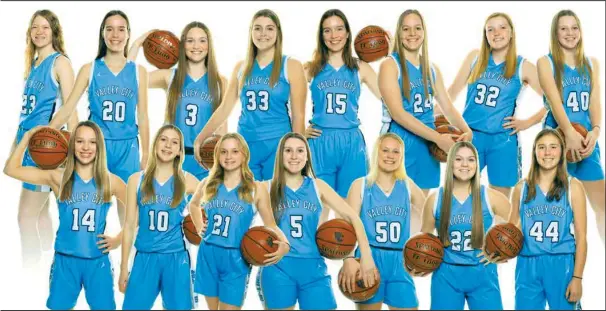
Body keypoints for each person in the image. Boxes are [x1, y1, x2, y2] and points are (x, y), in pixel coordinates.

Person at [4, 121, 126, 310]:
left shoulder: (111, 181)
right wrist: (29, 136)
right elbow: (10, 169)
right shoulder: (57, 177)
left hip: (97, 261)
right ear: (71, 145)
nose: (86, 147)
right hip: (65, 260)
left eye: (92, 142)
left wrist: (119, 238)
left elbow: (141, 212)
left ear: (99, 146)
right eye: (80, 141)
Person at [256, 132, 379, 310]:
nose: (294, 156)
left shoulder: (318, 186)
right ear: (280, 155)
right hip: (277, 267)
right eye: (288, 150)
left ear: (307, 156)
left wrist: (363, 257)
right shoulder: (265, 187)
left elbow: (353, 217)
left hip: (313, 267)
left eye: (300, 151)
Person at [49, 10, 150, 216]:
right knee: (90, 209)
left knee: (130, 214)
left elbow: (143, 116)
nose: (115, 34)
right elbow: (68, 108)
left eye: (121, 29)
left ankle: (128, 250)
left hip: (127, 148)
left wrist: (147, 153)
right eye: (109, 29)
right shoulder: (90, 69)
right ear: (102, 34)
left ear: (128, 34)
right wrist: (47, 132)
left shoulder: (139, 72)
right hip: (95, 148)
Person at [193, 9, 307, 181]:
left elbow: (298, 115)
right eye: (257, 28)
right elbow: (225, 108)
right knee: (248, 203)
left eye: (269, 28)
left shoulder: (290, 65)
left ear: (278, 32)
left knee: (275, 203)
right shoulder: (241, 67)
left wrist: (299, 153)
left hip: (277, 144)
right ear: (251, 32)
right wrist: (200, 138)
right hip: (245, 144)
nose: (263, 34)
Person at [447, 12, 545, 198]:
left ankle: (498, 229)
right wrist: (429, 116)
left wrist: (528, 122)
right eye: (490, 29)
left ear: (511, 33)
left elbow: (555, 100)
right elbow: (451, 93)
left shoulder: (523, 66)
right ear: (485, 35)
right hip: (470, 135)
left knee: (500, 201)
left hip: (502, 140)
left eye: (502, 27)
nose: (496, 33)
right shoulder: (475, 57)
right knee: (459, 195)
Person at [188, 133, 290, 310]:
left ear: (244, 155)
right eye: (224, 152)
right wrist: (198, 225)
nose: (229, 157)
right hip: (208, 254)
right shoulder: (207, 183)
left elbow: (271, 224)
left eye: (235, 151)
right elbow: (193, 205)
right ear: (217, 155)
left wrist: (285, 244)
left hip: (236, 257)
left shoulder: (256, 189)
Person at [378, 9, 473, 196]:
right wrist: (438, 138)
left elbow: (447, 106)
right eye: (406, 29)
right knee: (395, 207)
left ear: (424, 32)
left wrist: (466, 130)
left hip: (427, 146)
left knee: (421, 209)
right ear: (399, 33)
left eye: (417, 28)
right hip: (398, 142)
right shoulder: (390, 65)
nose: (412, 34)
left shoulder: (431, 68)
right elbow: (398, 113)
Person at [10, 9, 79, 267]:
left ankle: (31, 270)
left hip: (44, 149)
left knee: (25, 216)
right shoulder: (35, 63)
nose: (39, 32)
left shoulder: (60, 62)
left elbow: (70, 107)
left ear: (54, 32)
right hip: (27, 144)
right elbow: (27, 114)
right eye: (34, 27)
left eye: (45, 27)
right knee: (40, 213)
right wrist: (15, 145)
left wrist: (64, 145)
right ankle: (45, 266)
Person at [128, 22, 228, 180]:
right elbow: (128, 79)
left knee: (200, 205)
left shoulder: (220, 82)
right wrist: (137, 43)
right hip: (170, 158)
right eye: (190, 41)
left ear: (209, 45)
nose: (196, 46)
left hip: (204, 161)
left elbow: (221, 128)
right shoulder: (169, 76)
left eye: (202, 40)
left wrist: (222, 168)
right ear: (182, 45)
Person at [537, 9, 604, 244]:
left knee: (602, 207)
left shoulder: (592, 63)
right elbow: (555, 103)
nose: (570, 33)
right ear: (555, 33)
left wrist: (595, 132)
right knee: (554, 208)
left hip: (586, 142)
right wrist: (569, 133)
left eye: (574, 27)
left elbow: (595, 104)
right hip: (556, 142)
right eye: (563, 28)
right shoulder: (545, 63)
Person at [501, 129, 586, 310]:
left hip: (561, 263)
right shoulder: (521, 188)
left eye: (553, 147)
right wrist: (498, 248)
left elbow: (582, 237)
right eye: (542, 147)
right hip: (527, 265)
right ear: (534, 152)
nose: (547, 153)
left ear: (562, 152)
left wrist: (577, 278)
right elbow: (510, 231)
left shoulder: (573, 187)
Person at [419, 141, 510, 310]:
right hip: (446, 276)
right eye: (459, 159)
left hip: (483, 273)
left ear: (477, 164)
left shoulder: (491, 197)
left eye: (471, 160)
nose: (465, 165)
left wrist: (505, 251)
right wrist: (419, 263)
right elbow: (424, 240)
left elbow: (518, 226)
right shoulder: (435, 199)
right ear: (450, 163)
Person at [339, 133, 426, 310]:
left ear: (401, 157)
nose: (390, 155)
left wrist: (423, 253)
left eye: (396, 152)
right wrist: (348, 259)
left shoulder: (407, 185)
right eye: (385, 150)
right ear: (376, 152)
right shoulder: (360, 185)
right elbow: (346, 229)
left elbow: (433, 214)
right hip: (368, 258)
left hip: (400, 261)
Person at [303, 9, 384, 198]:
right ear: (321, 36)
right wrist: (297, 130)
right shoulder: (309, 68)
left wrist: (389, 48)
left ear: (348, 34)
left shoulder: (361, 68)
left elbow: (389, 99)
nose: (334, 36)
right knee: (319, 209)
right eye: (327, 30)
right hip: (320, 141)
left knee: (350, 210)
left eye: (339, 29)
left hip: (351, 143)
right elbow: (281, 100)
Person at [119, 125, 200, 310]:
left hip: (177, 258)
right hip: (144, 257)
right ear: (155, 144)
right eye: (163, 139)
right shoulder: (135, 180)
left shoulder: (188, 180)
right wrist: (124, 267)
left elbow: (210, 210)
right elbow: (130, 225)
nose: (168, 145)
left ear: (180, 151)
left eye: (174, 142)